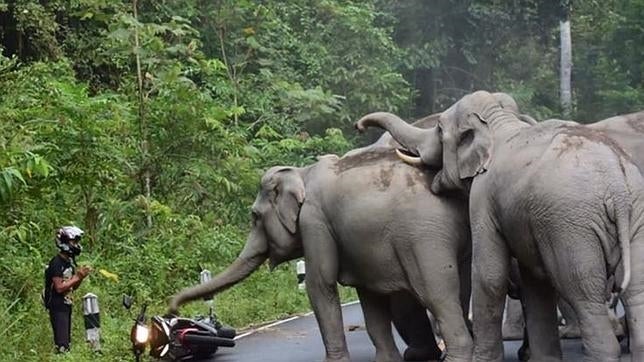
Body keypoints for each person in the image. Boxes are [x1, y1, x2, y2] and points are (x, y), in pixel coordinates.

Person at [43, 226, 92, 353]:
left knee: (66, 343)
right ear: (65, 241)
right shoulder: (56, 263)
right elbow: (59, 288)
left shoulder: (69, 262)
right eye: (74, 241)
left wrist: (80, 277)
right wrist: (77, 276)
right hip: (57, 306)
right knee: (62, 345)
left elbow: (73, 286)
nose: (76, 245)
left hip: (66, 305)